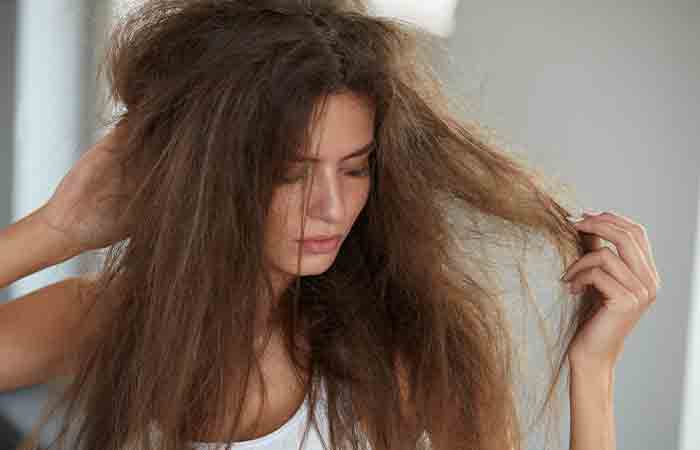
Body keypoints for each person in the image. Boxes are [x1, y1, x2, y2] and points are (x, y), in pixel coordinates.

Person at [0, 1, 661, 449]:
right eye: (291, 172)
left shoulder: (399, 351)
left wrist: (594, 371)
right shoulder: (114, 320)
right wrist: (57, 228)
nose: (332, 208)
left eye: (355, 168)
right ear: (213, 176)